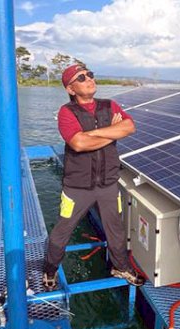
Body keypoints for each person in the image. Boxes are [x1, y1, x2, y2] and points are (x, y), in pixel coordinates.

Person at [42, 64, 146, 291]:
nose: (89, 79)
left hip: (108, 183)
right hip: (77, 186)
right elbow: (78, 144)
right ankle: (49, 270)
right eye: (81, 77)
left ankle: (121, 267)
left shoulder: (110, 105)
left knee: (116, 230)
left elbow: (129, 127)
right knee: (62, 231)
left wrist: (93, 134)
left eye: (90, 74)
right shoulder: (66, 112)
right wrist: (112, 131)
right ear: (71, 89)